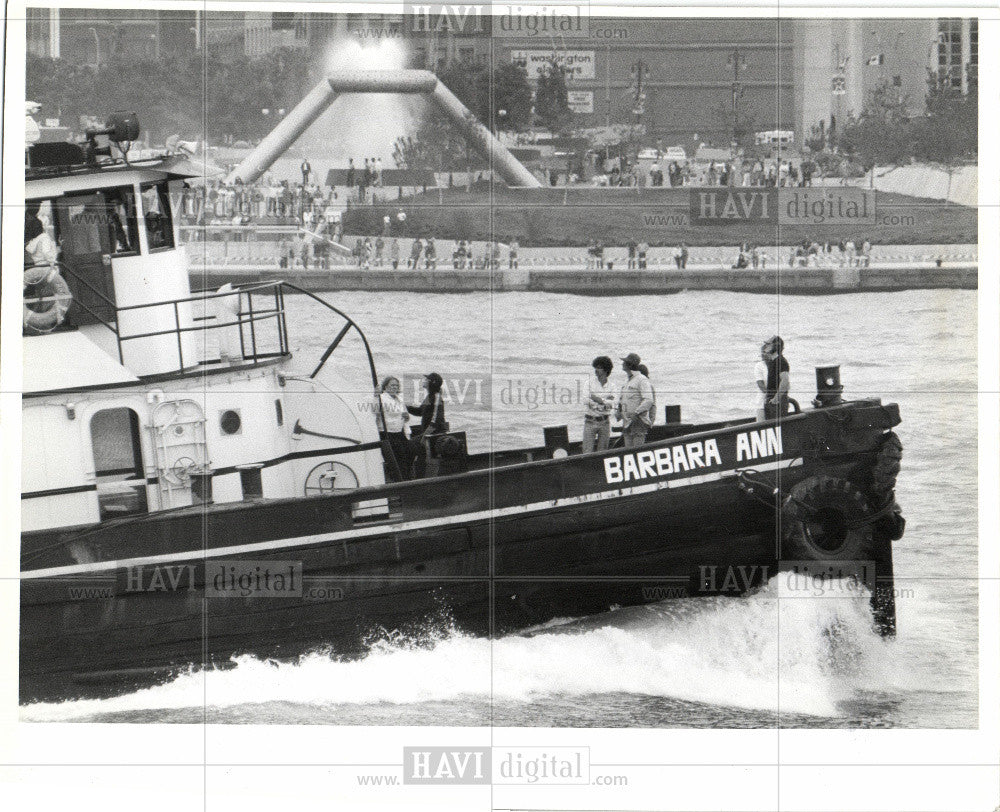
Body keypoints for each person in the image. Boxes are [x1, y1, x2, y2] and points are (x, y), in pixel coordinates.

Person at [408, 372, 448, 478]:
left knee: (412, 445)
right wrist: (404, 407)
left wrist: (424, 436)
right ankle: (418, 476)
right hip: (428, 433)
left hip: (434, 434)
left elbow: (435, 422)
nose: (424, 381)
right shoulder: (430, 396)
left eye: (426, 379)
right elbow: (420, 411)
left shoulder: (437, 397)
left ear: (431, 383)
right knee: (417, 450)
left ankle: (418, 477)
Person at [376, 376, 412, 481]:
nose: (394, 387)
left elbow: (405, 416)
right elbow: (375, 413)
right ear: (386, 387)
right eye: (392, 385)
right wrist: (375, 396)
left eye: (396, 385)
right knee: (398, 457)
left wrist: (407, 417)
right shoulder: (381, 398)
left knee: (410, 451)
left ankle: (406, 478)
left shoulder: (399, 399)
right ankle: (399, 480)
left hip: (400, 432)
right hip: (388, 433)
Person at [616, 353, 655, 448]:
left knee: (637, 452)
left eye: (624, 362)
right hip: (627, 423)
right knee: (628, 452)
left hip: (637, 422)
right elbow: (623, 401)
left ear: (629, 365)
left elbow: (649, 400)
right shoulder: (628, 382)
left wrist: (637, 412)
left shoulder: (641, 380)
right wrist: (619, 412)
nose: (622, 364)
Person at [582, 356, 615, 453]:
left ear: (606, 370)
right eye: (595, 367)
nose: (596, 370)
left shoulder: (612, 386)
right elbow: (586, 400)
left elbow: (612, 403)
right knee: (587, 450)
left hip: (605, 422)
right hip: (590, 421)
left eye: (599, 367)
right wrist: (603, 403)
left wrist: (596, 399)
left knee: (603, 451)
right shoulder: (589, 383)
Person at [762, 336, 790, 420]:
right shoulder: (773, 362)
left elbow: (785, 382)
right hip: (772, 401)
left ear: (775, 346)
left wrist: (775, 399)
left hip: (777, 402)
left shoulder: (780, 361)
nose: (765, 346)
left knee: (777, 428)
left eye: (768, 344)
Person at [754, 345, 769, 421]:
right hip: (762, 402)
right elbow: (761, 385)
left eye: (765, 352)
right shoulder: (759, 366)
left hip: (775, 403)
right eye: (762, 352)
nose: (763, 354)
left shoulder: (776, 364)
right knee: (761, 425)